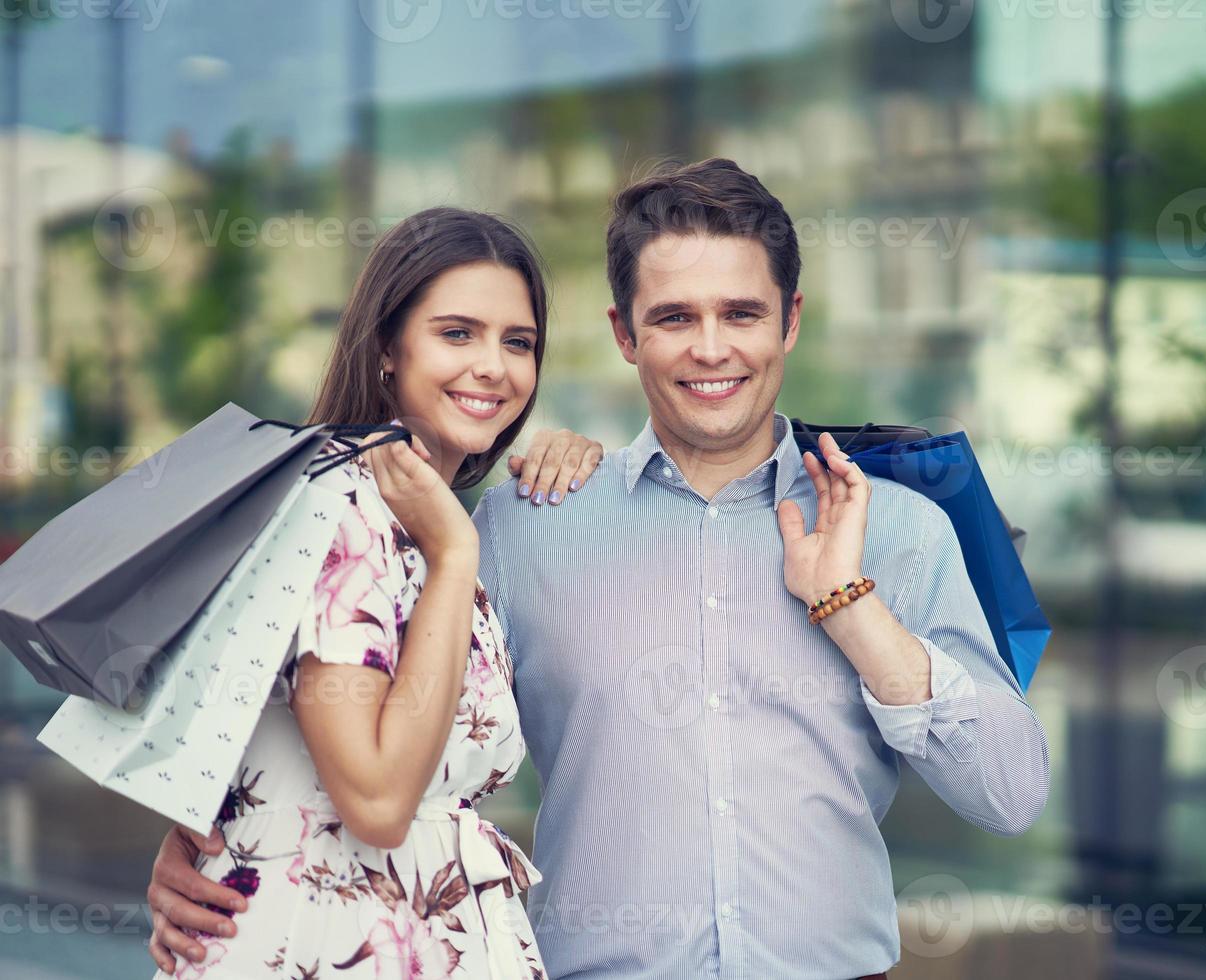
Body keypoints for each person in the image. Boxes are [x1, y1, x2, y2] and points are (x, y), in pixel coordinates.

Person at [148, 160, 1050, 979]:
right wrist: (202, 838)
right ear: (624, 333)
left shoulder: (897, 528)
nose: (710, 348)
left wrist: (852, 609)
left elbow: (1009, 796)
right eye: (673, 318)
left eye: (741, 313)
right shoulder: (520, 523)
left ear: (791, 321)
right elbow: (357, 706)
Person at [144, 207, 601, 978]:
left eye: (517, 342)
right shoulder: (344, 511)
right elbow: (380, 804)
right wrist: (455, 556)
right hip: (326, 948)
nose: (493, 366)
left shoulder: (419, 521)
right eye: (457, 333)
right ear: (388, 348)